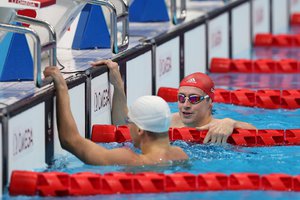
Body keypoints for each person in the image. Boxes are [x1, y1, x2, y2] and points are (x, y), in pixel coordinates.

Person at [44, 66, 188, 166]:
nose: (127, 127)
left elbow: (70, 141)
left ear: (140, 130)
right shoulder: (180, 155)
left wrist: (62, 87)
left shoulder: (130, 160)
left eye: (129, 121)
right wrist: (119, 86)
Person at [91, 60, 256, 144]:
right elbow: (123, 127)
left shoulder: (219, 127)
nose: (185, 105)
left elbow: (256, 133)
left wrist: (231, 122)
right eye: (181, 98)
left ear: (209, 103)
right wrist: (118, 86)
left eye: (193, 99)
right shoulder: (168, 121)